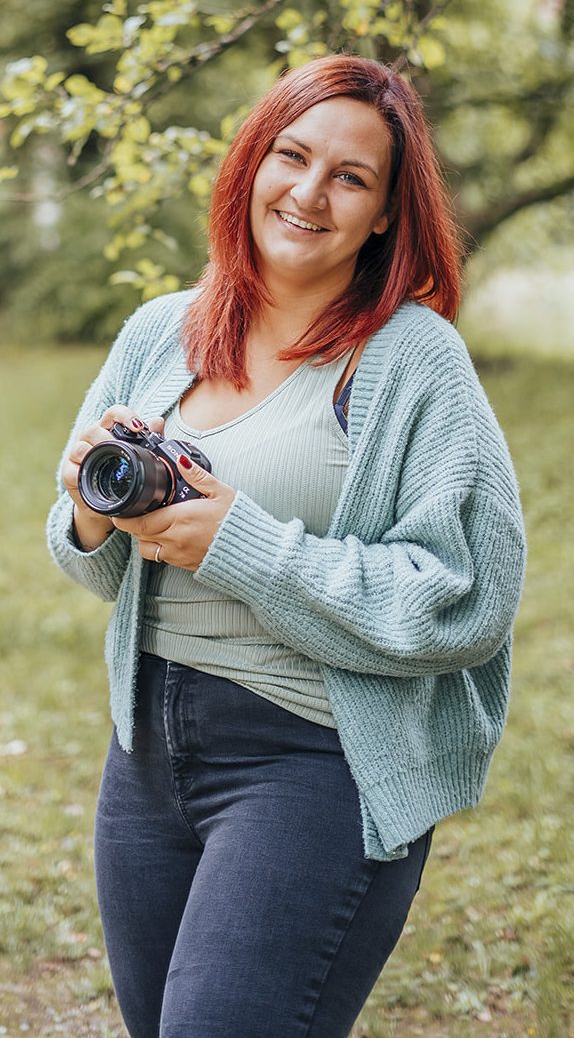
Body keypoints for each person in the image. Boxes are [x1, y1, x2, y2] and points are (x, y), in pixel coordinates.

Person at [47, 53, 526, 1038]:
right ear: (251, 164)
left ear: (388, 211)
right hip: (145, 751)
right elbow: (89, 559)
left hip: (314, 758)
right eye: (291, 155)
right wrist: (93, 513)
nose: (309, 191)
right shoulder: (161, 332)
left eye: (349, 177)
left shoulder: (410, 358)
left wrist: (244, 543)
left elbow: (465, 592)